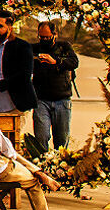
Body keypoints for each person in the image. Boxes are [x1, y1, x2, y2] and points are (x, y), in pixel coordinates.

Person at [31, 20, 79, 151]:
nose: (44, 40)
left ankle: (59, 167)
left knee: (62, 140)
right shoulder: (33, 49)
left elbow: (74, 62)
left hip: (62, 100)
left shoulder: (64, 47)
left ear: (55, 34)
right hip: (41, 100)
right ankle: (42, 163)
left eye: (47, 37)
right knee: (41, 137)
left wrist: (55, 61)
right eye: (41, 37)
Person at [0, 10, 37, 117]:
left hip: (13, 105)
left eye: (0, 26)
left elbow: (24, 76)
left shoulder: (22, 46)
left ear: (10, 28)